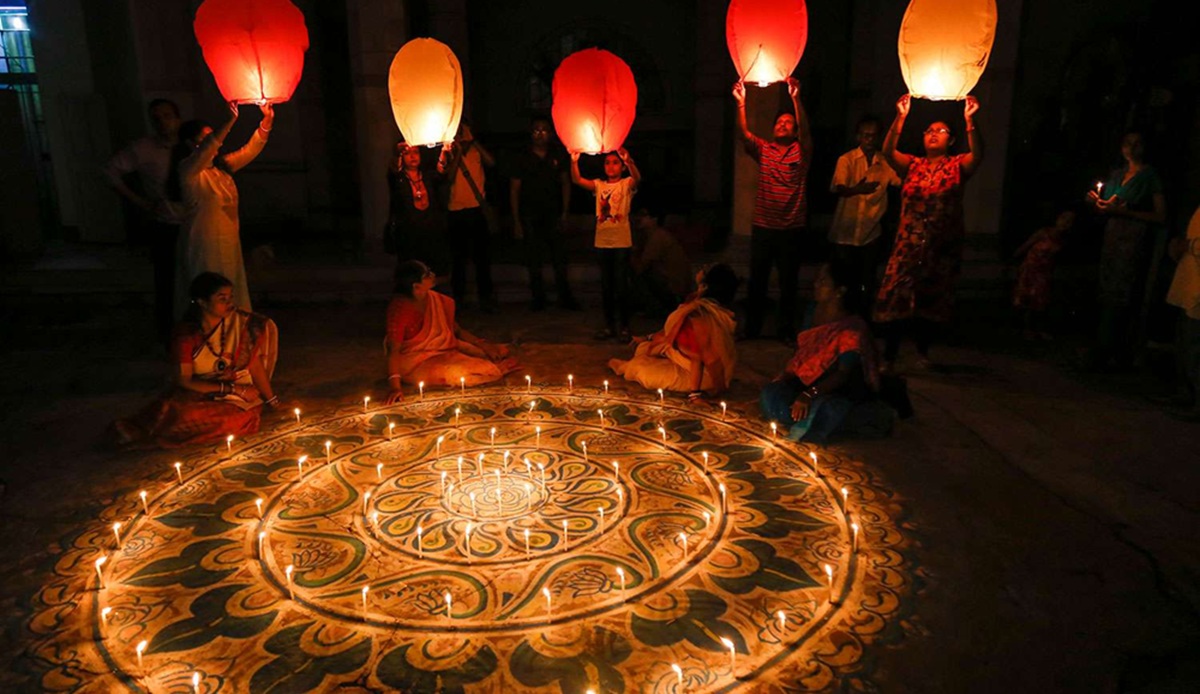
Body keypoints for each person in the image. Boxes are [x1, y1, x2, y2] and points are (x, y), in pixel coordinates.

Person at [874, 94, 984, 372]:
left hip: (940, 246)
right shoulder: (913, 164)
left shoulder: (957, 165)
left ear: (951, 140)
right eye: (929, 131)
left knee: (930, 301)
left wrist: (970, 121)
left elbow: (979, 155)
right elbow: (888, 151)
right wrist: (900, 117)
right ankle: (889, 356)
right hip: (908, 246)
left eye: (940, 131)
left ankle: (923, 352)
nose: (933, 134)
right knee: (897, 297)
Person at [112, 272, 280, 448]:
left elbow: (254, 363)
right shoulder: (186, 335)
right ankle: (146, 435)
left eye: (231, 297)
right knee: (180, 414)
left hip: (235, 397)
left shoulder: (239, 325)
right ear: (202, 302)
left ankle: (160, 435)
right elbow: (184, 380)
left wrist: (272, 400)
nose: (230, 303)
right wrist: (232, 388)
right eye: (222, 299)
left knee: (240, 418)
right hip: (199, 390)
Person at [759, 262, 893, 443]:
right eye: (817, 280)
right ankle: (811, 418)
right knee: (771, 394)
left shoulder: (851, 329)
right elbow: (803, 352)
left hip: (836, 389)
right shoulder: (812, 311)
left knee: (828, 409)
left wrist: (809, 394)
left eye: (823, 281)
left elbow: (842, 375)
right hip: (808, 382)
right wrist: (788, 374)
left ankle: (853, 417)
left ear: (840, 291)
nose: (816, 285)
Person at [169, 102, 274, 318]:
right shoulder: (188, 171)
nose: (215, 142)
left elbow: (251, 149)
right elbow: (208, 149)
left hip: (228, 240)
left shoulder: (221, 169)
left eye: (212, 136)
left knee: (230, 288)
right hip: (202, 242)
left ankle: (232, 337)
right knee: (208, 289)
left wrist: (266, 121)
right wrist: (230, 120)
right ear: (191, 144)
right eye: (206, 138)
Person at [732, 76, 813, 342]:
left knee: (789, 284)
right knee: (758, 281)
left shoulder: (801, 152)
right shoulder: (764, 149)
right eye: (779, 122)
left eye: (788, 122)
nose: (782, 124)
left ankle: (786, 331)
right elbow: (744, 134)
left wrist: (796, 98)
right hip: (764, 227)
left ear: (794, 129)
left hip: (791, 229)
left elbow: (807, 133)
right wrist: (742, 103)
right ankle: (752, 329)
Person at [1085, 131, 1167, 370]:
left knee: (1122, 291)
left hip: (1132, 237)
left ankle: (1112, 349)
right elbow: (1109, 204)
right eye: (1127, 143)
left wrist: (1127, 213)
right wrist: (1098, 202)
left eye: (1137, 143)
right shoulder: (1117, 174)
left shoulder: (1150, 176)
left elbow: (1160, 215)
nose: (1131, 147)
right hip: (1113, 235)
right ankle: (1103, 346)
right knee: (1106, 287)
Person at [106, 99, 186, 342]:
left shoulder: (189, 145)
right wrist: (141, 202)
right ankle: (167, 332)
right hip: (165, 222)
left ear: (177, 118)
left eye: (167, 115)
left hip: (195, 221)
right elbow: (111, 172)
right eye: (157, 117)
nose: (163, 122)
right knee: (166, 279)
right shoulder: (144, 148)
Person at [385, 260, 519, 404]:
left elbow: (457, 331)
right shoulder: (399, 310)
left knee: (494, 352)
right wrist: (395, 388)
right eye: (427, 274)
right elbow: (394, 351)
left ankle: (487, 358)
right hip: (415, 362)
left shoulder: (436, 300)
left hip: (442, 348)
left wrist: (485, 346)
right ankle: (495, 370)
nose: (433, 275)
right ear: (417, 287)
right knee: (479, 370)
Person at [608, 264, 739, 397]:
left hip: (707, 375)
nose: (700, 270)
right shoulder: (697, 303)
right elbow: (671, 329)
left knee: (642, 370)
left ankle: (626, 366)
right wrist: (649, 337)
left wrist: (719, 389)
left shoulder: (699, 316)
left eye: (704, 271)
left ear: (705, 286)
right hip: (686, 356)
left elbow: (711, 360)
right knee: (643, 348)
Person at [509, 117, 579, 311]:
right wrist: (516, 220)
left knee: (559, 257)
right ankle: (538, 298)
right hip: (530, 213)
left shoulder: (557, 155)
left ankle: (565, 297)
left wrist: (565, 212)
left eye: (544, 130)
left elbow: (566, 183)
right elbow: (514, 189)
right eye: (536, 130)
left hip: (553, 212)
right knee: (534, 258)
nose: (540, 134)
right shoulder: (523, 156)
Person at [828, 115, 901, 301]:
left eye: (873, 136)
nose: (869, 140)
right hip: (845, 232)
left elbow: (900, 181)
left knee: (866, 282)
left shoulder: (884, 162)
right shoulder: (847, 160)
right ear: (858, 137)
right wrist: (857, 189)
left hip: (870, 232)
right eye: (865, 135)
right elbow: (839, 187)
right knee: (844, 283)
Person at [571, 148, 641, 340]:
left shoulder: (626, 184)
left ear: (621, 167)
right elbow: (577, 180)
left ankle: (625, 327)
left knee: (621, 286)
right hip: (602, 242)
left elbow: (637, 178)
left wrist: (629, 161)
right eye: (608, 162)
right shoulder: (599, 185)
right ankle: (610, 326)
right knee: (607, 286)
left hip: (621, 241)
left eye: (615, 162)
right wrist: (574, 161)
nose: (611, 166)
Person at [443, 121, 498, 312]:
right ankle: (458, 298)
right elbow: (448, 178)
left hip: (477, 209)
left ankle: (486, 298)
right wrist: (457, 151)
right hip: (456, 210)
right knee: (459, 258)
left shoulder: (476, 151)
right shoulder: (448, 151)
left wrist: (474, 142)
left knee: (482, 258)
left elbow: (492, 162)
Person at [386, 141, 451, 280]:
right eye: (407, 153)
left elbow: (441, 173)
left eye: (415, 152)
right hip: (409, 233)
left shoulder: (427, 175)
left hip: (430, 230)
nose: (412, 156)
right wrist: (398, 153)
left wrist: (444, 151)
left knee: (434, 270)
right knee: (413, 272)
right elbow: (394, 171)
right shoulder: (399, 178)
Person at [1013, 209, 1075, 339]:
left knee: (1041, 299)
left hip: (1044, 272)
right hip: (1031, 269)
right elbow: (1026, 245)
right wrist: (1013, 260)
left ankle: (1038, 328)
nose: (1066, 224)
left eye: (1070, 222)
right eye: (1064, 219)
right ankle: (1026, 328)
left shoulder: (1063, 240)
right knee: (1027, 297)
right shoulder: (1044, 233)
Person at [1162, 204, 1200, 420]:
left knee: (1195, 347)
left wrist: (1190, 245)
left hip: (1197, 288)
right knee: (1184, 341)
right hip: (1190, 282)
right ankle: (1185, 392)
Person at [628, 205, 694, 320]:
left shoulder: (657, 237)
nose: (638, 219)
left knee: (638, 274)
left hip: (674, 288)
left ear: (654, 219)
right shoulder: (652, 235)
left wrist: (631, 252)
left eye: (643, 216)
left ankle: (658, 308)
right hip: (674, 285)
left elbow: (641, 267)